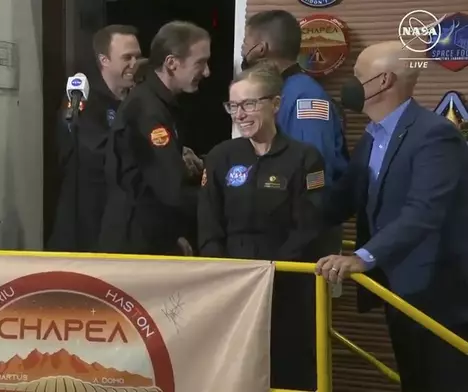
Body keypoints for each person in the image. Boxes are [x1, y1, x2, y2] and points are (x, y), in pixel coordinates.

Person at [316, 41, 468, 392]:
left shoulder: (435, 135)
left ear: (383, 81)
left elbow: (424, 211)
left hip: (438, 295)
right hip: (398, 290)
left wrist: (362, 257)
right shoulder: (372, 138)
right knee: (413, 378)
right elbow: (341, 201)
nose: (348, 85)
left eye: (357, 76)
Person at [198, 61, 325, 391]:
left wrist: (271, 274)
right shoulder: (220, 156)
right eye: (234, 106)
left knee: (287, 366)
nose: (240, 114)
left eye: (249, 103)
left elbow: (309, 226)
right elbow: (208, 220)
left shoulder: (305, 158)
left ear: (276, 104)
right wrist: (221, 270)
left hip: (285, 283)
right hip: (231, 284)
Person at [241, 10, 348, 255]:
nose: (243, 49)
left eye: (245, 42)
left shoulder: (305, 97)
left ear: (260, 48)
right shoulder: (277, 91)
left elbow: (315, 168)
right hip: (281, 230)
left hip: (303, 234)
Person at [99, 21, 210, 255]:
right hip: (134, 245)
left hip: (149, 236)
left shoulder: (160, 103)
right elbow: (172, 191)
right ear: (171, 64)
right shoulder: (148, 111)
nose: (207, 71)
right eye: (200, 63)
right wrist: (225, 198)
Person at [47, 25, 141, 252]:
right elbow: (98, 152)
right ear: (104, 60)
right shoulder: (83, 99)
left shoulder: (138, 99)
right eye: (127, 57)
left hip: (127, 221)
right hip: (86, 219)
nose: (134, 64)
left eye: (137, 57)